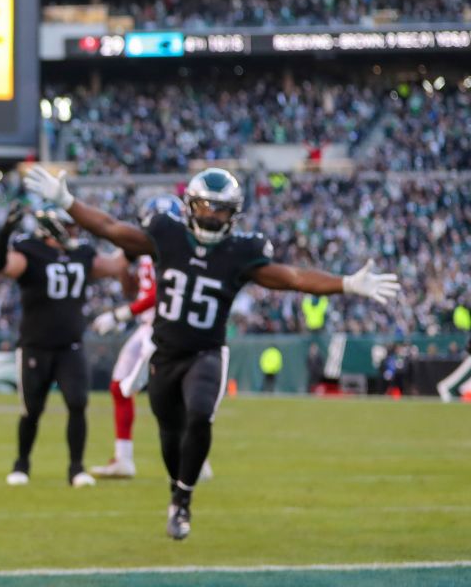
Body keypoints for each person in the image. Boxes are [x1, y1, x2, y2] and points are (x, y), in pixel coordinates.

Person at [24, 164, 399, 541]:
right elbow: (109, 228)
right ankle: (177, 489)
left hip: (206, 352)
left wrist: (346, 284)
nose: (212, 215)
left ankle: (183, 500)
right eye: (205, 206)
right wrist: (66, 201)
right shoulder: (167, 235)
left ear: (233, 214)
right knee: (170, 436)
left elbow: (294, 278)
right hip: (165, 353)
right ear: (189, 206)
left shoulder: (240, 252)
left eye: (220, 208)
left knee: (201, 414)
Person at [0, 205, 126, 488]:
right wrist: (4, 232)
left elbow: (115, 265)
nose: (76, 231)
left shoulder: (82, 253)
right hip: (35, 345)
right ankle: (22, 464)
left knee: (78, 403)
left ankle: (76, 469)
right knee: (32, 410)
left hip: (70, 345)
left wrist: (138, 241)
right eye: (70, 226)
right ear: (54, 227)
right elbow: (0, 265)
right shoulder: (30, 251)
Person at [89, 195, 206, 480]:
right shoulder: (143, 247)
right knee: (120, 388)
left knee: (170, 395)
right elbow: (135, 285)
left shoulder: (178, 249)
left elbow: (162, 292)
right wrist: (121, 272)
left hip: (167, 327)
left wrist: (120, 315)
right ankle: (124, 458)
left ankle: (197, 460)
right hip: (146, 326)